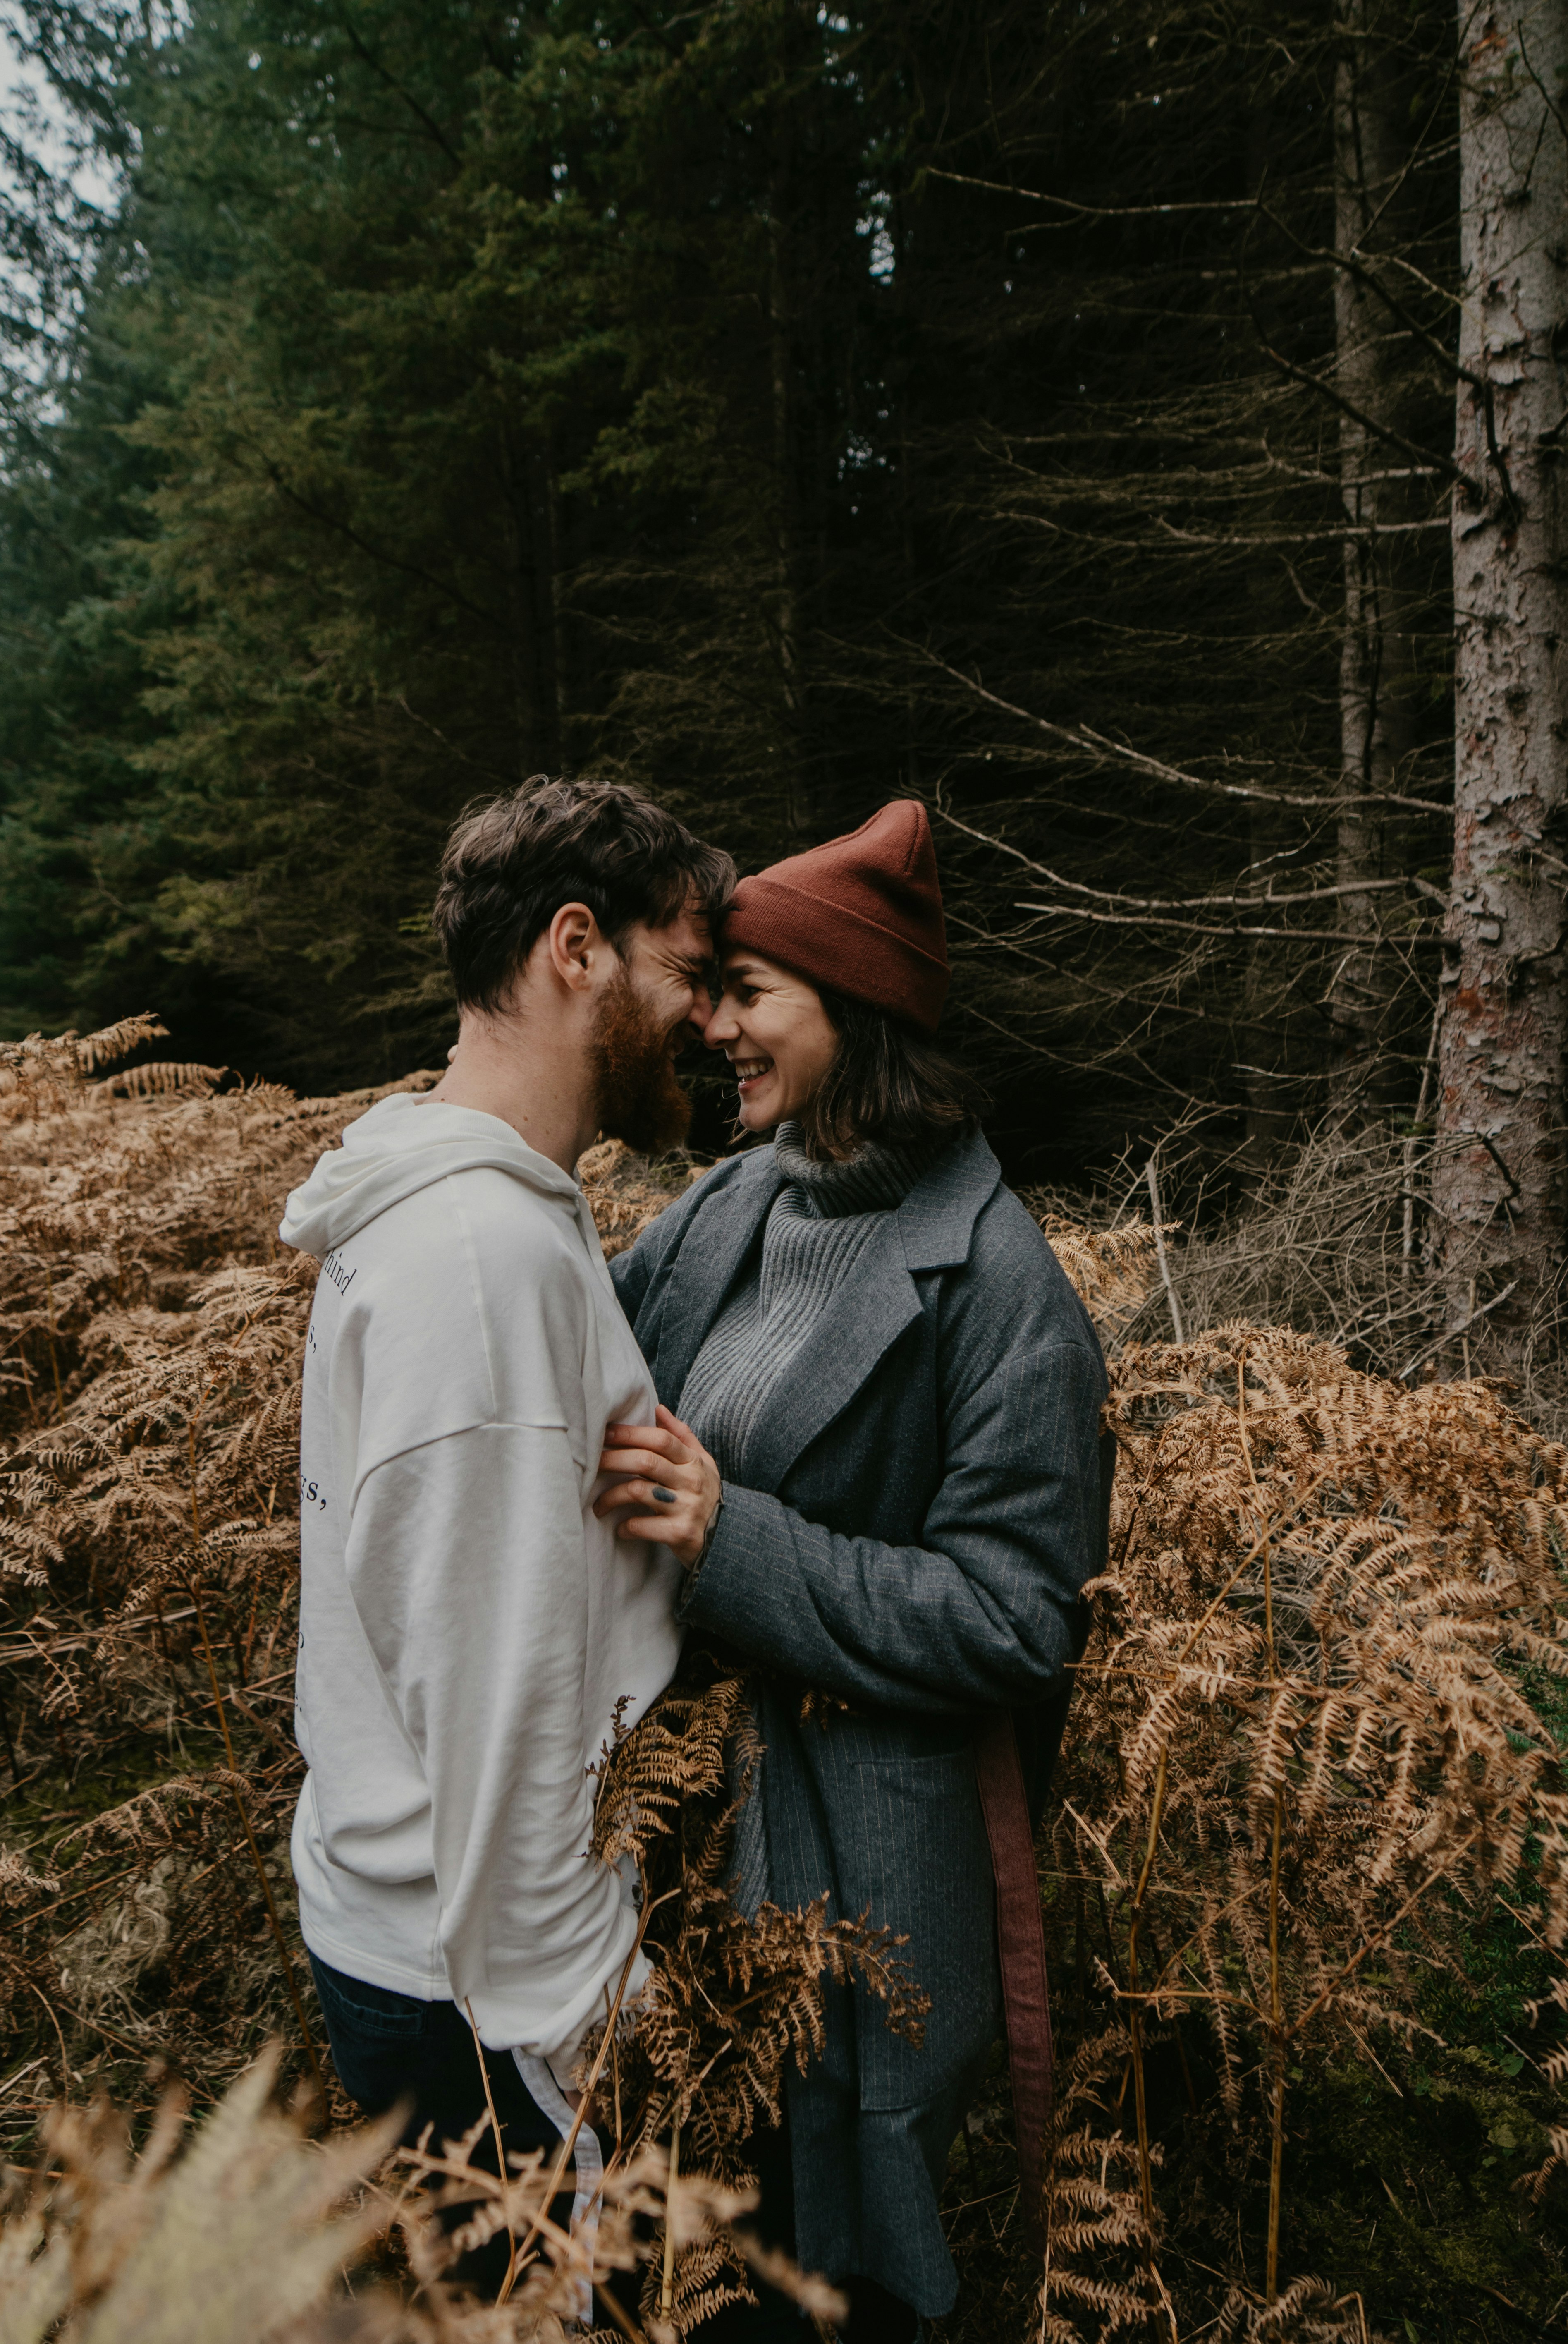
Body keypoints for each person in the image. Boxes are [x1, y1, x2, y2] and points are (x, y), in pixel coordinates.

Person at [598, 800, 1110, 2340]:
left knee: (840, 2278)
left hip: (870, 1882)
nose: (713, 1024)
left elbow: (1020, 1620)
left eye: (752, 993)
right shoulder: (738, 1197)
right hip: (675, 1825)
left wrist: (729, 1536)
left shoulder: (1005, 1286)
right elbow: (579, 1343)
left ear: (862, 1012)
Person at [278, 776, 734, 2286]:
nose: (711, 1019)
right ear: (577, 948)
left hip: (428, 1941)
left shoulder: (478, 1207)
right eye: (688, 971)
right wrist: (600, 2020)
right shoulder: (476, 1263)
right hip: (488, 1989)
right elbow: (493, 1695)